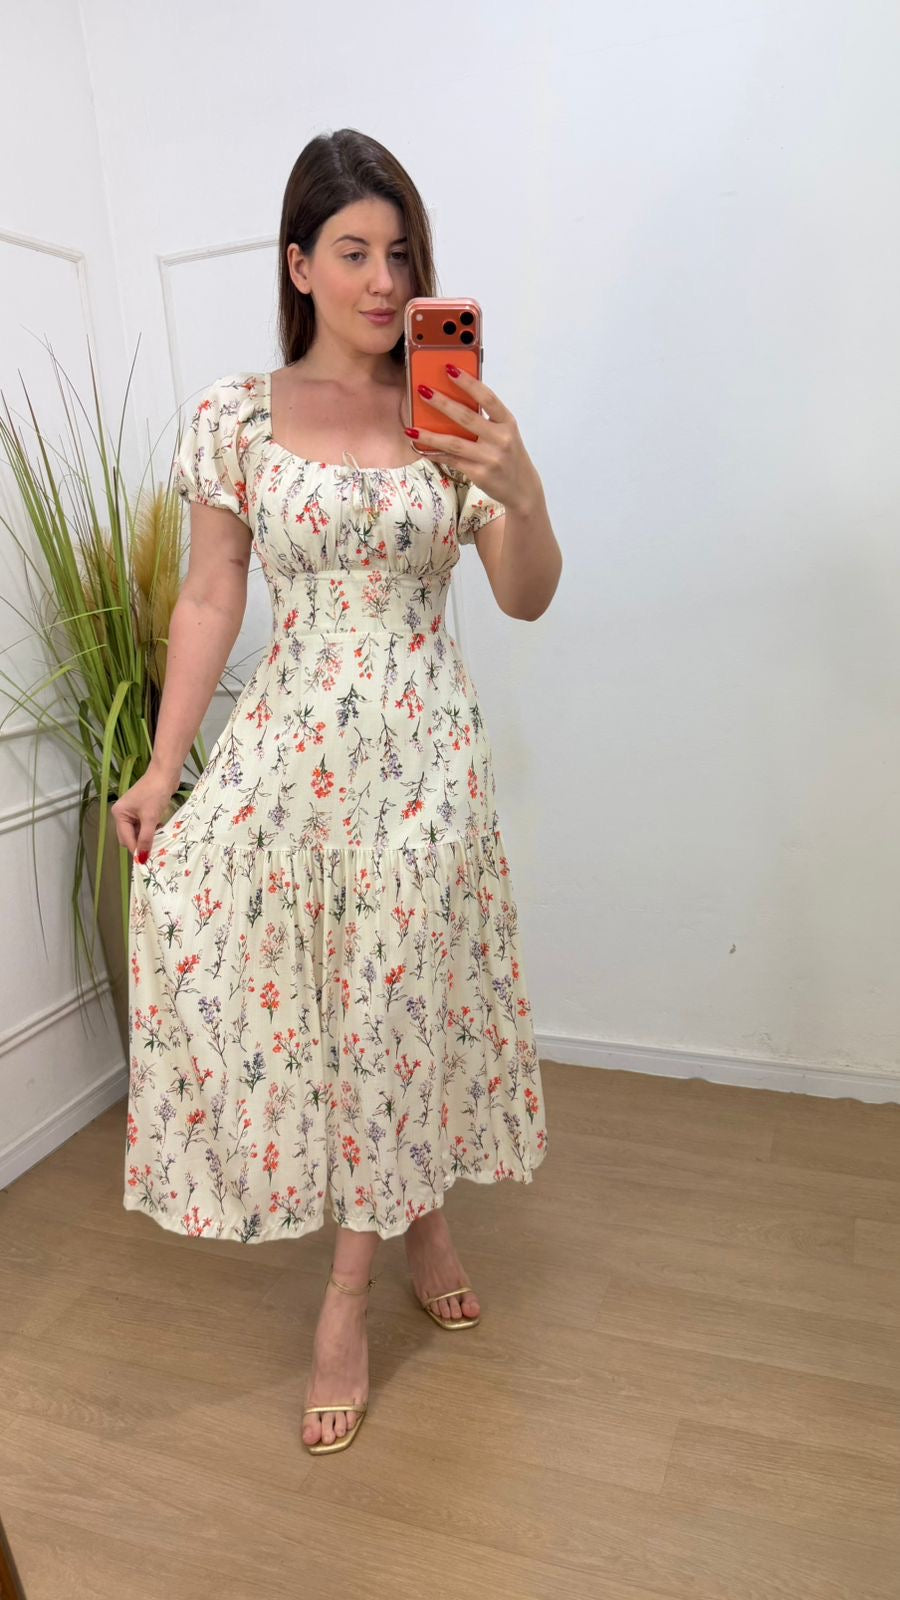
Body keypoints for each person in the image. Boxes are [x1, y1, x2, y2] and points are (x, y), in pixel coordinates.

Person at [112, 127, 562, 1455]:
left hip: (423, 762)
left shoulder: (450, 413)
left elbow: (526, 597)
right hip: (290, 753)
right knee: (323, 1000)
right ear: (300, 264)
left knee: (392, 999)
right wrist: (162, 768)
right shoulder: (236, 417)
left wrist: (520, 488)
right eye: (354, 252)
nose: (383, 279)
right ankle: (423, 1215)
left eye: (401, 252)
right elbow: (211, 594)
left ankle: (347, 1302)